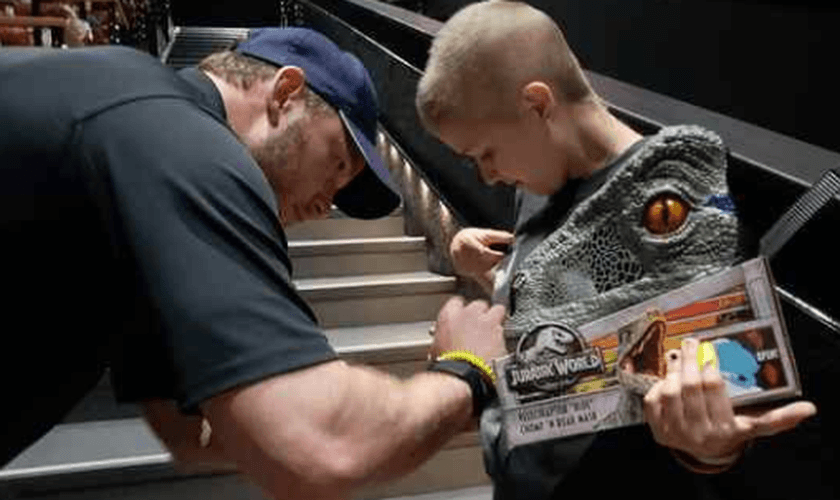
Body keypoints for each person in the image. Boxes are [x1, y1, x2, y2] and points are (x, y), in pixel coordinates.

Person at [0, 27, 508, 499]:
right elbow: (324, 445)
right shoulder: (179, 140)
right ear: (285, 93)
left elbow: (192, 435)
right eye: (336, 163)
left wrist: (407, 414)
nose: (325, 203)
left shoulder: (145, 146)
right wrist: (468, 371)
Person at [415, 1, 817, 499]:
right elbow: (555, 327)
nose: (487, 176)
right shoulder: (534, 188)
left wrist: (710, 448)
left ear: (538, 105)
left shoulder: (684, 198)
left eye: (486, 153)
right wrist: (491, 277)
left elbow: (734, 394)